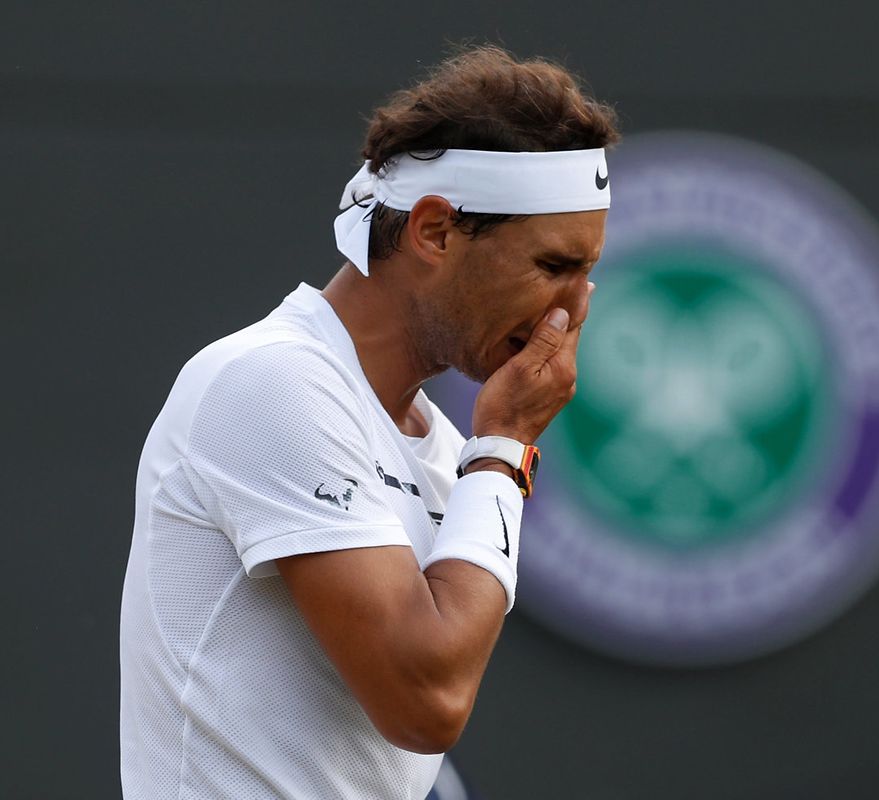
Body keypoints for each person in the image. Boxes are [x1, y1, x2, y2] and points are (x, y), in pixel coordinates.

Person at [119, 45, 619, 799]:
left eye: (586, 277)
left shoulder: (448, 449)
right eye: (553, 267)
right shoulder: (271, 381)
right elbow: (426, 702)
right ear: (434, 233)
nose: (573, 311)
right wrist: (504, 451)